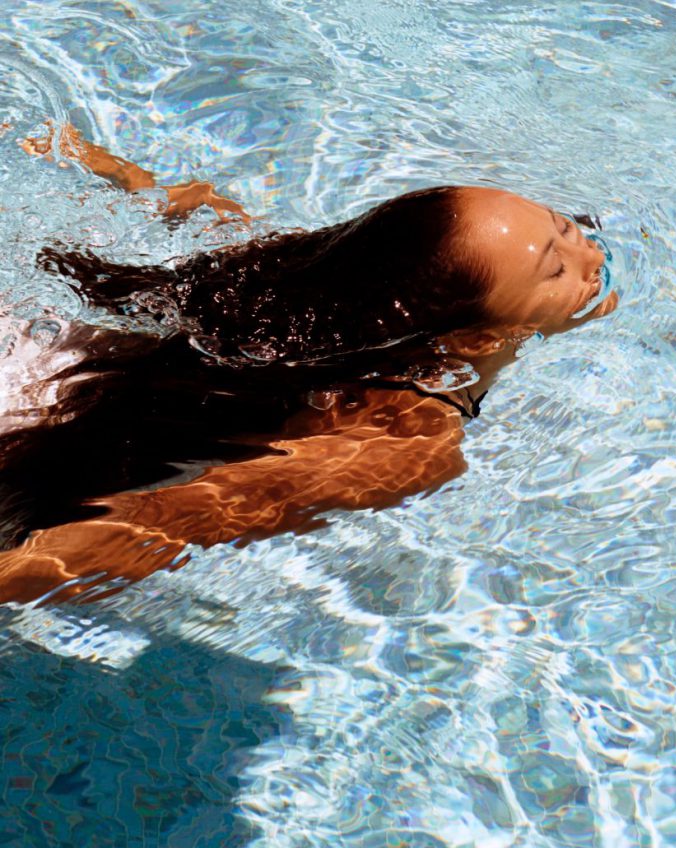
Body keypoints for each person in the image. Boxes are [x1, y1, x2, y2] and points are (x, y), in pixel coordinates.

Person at [0, 122, 618, 604]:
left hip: (37, 351)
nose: (590, 253)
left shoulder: (299, 283)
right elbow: (145, 527)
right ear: (479, 341)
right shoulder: (407, 445)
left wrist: (77, 151)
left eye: (565, 229)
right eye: (558, 265)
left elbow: (196, 203)